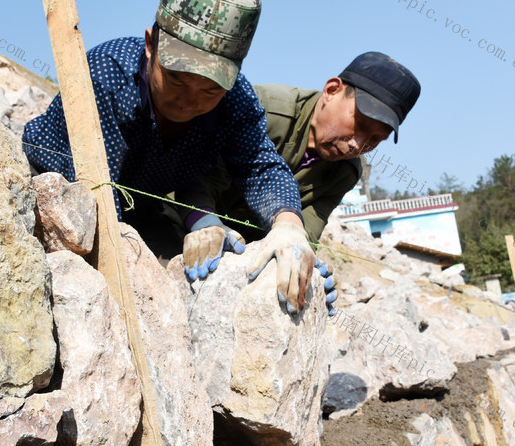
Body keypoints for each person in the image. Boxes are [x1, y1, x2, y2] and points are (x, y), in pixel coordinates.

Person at [22, 0, 316, 313]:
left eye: (209, 89)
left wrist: (289, 225)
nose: (189, 100)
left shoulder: (236, 99)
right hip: (57, 199)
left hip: (140, 209)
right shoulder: (106, 77)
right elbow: (98, 202)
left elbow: (260, 166)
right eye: (176, 79)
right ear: (151, 45)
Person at [177, 52, 421, 313]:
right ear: (331, 90)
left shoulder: (345, 172)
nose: (357, 144)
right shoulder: (264, 110)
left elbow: (306, 232)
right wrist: (204, 223)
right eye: (359, 124)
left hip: (244, 256)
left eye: (375, 140)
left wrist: (308, 269)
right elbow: (197, 176)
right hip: (177, 219)